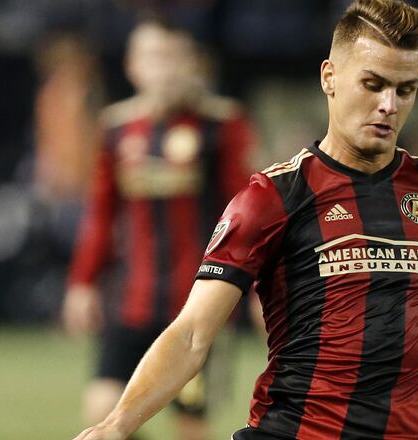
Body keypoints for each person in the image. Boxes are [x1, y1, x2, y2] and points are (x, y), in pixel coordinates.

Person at [72, 1, 418, 439]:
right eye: (373, 84)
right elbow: (191, 334)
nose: (388, 105)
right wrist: (117, 425)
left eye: (405, 89)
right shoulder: (272, 197)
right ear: (329, 78)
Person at [62, 18, 255, 440]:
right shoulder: (116, 128)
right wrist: (82, 282)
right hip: (131, 300)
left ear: (193, 64)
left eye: (173, 57)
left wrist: (258, 289)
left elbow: (249, 215)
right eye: (152, 57)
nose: (163, 68)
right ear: (132, 65)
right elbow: (101, 214)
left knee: (190, 426)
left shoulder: (221, 125)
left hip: (198, 304)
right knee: (101, 408)